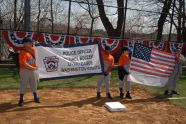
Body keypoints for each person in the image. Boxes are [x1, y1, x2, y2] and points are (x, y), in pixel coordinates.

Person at [18, 37, 40, 106]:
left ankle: (35, 97)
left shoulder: (33, 49)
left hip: (33, 70)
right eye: (29, 42)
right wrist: (33, 68)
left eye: (31, 42)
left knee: (34, 84)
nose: (31, 43)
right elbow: (24, 63)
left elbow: (41, 50)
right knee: (23, 84)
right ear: (25, 43)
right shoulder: (22, 52)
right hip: (25, 71)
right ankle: (21, 100)